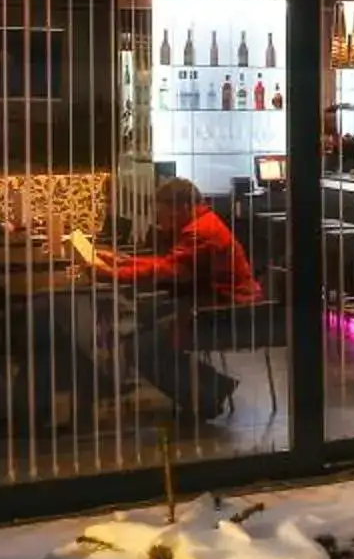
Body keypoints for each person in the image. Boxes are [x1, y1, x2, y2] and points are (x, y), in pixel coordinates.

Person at [95, 178, 262, 427]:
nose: (159, 220)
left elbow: (167, 270)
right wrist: (122, 262)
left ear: (180, 207)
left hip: (227, 315)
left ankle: (206, 398)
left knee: (141, 347)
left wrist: (111, 272)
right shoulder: (202, 225)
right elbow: (169, 265)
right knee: (146, 329)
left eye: (161, 212)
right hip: (217, 306)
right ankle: (212, 387)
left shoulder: (199, 233)